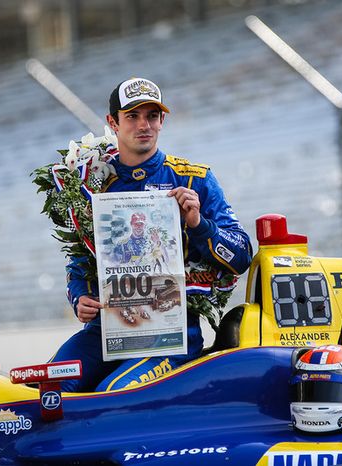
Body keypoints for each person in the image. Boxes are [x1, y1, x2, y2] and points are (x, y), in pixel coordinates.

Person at [50, 77, 253, 392]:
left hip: (171, 333)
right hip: (106, 330)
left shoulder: (194, 179)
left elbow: (241, 256)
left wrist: (199, 225)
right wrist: (79, 297)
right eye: (132, 116)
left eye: (152, 116)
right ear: (112, 122)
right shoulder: (90, 183)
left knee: (115, 393)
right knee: (50, 388)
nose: (144, 125)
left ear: (162, 121)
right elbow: (81, 258)